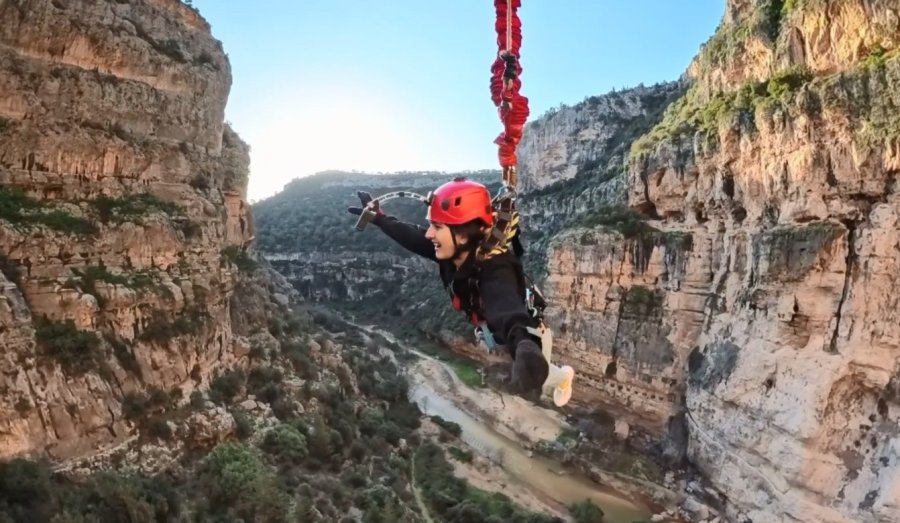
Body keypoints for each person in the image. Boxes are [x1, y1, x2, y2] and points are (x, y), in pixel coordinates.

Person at [348, 177, 550, 394]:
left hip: (517, 337)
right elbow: (412, 236)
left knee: (539, 380)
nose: (429, 233)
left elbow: (505, 305)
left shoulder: (495, 269)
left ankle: (556, 377)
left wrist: (524, 344)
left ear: (462, 235)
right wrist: (380, 219)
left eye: (436, 226)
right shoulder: (451, 252)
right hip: (494, 332)